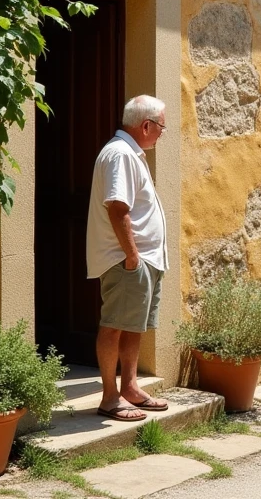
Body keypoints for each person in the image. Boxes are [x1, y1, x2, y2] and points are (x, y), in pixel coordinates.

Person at [86, 95, 170, 420]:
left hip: (142, 259)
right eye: (161, 126)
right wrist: (132, 256)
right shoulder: (120, 155)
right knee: (114, 326)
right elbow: (118, 207)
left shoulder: (130, 154)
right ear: (146, 125)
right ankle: (110, 397)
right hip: (128, 261)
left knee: (132, 325)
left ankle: (130, 387)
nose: (162, 133)